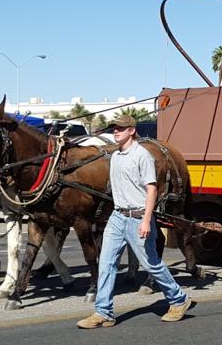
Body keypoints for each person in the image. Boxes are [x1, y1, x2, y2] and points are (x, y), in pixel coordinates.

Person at [78, 116, 191, 329]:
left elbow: (151, 189)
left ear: (131, 130)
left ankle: (179, 300)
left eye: (120, 128)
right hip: (117, 217)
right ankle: (103, 312)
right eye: (114, 128)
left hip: (138, 217)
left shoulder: (142, 155)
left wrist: (147, 220)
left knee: (151, 264)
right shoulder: (116, 156)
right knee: (106, 264)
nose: (116, 131)